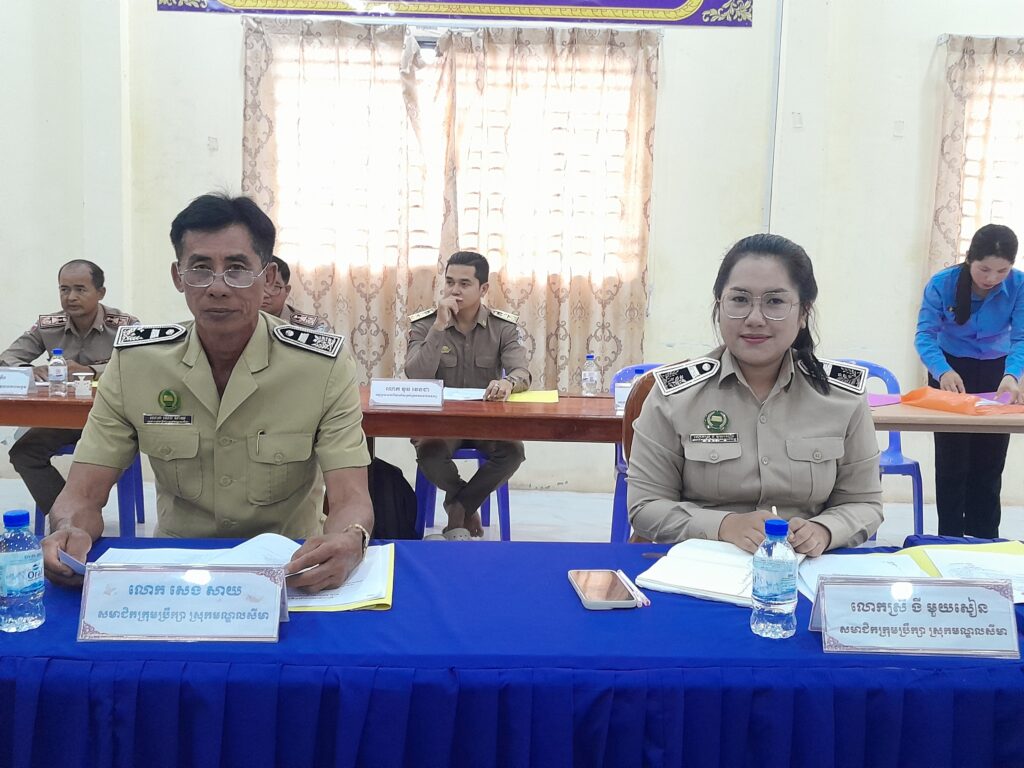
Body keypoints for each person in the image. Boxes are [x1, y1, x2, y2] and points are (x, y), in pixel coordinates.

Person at [42, 194, 373, 593]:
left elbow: (351, 498)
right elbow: (81, 494)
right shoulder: (137, 364)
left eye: (237, 269)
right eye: (200, 269)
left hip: (290, 570)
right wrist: (68, 528)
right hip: (178, 574)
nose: (217, 287)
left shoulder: (320, 367)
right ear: (178, 277)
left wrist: (350, 539)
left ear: (268, 278)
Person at [628, 233, 882, 555]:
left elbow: (864, 503)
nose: (755, 319)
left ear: (803, 313)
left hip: (806, 566)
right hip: (704, 562)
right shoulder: (675, 396)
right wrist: (723, 526)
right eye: (739, 299)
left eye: (775, 302)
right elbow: (646, 506)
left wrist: (824, 531)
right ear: (719, 306)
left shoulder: (841, 397)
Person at [405, 250, 531, 538]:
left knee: (513, 452)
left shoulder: (502, 327)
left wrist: (508, 383)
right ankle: (464, 505)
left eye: (464, 284)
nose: (455, 290)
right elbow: (416, 374)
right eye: (450, 282)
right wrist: (439, 327)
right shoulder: (425, 323)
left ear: (483, 289)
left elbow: (522, 372)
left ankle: (458, 506)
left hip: (486, 421)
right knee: (429, 452)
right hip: (440, 423)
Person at [1, 260, 138, 516]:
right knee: (24, 453)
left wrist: (91, 371)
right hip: (63, 418)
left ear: (100, 292)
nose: (71, 297)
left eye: (80, 289)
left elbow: (139, 365)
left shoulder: (124, 325)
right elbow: (8, 357)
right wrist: (30, 370)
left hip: (112, 419)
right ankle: (66, 517)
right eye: (64, 289)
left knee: (100, 461)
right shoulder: (48, 325)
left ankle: (77, 513)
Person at [914, 224, 1023, 538]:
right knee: (952, 463)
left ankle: (985, 541)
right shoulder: (942, 284)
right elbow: (925, 335)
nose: (992, 278)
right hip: (951, 372)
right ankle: (949, 540)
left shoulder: (1019, 285)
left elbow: (1021, 338)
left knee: (989, 463)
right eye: (984, 269)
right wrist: (942, 371)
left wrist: (1012, 375)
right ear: (970, 258)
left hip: (997, 373)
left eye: (1002, 271)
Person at [261, 255, 332, 331]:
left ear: (287, 291)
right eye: (258, 286)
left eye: (274, 287)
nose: (264, 294)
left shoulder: (310, 328)